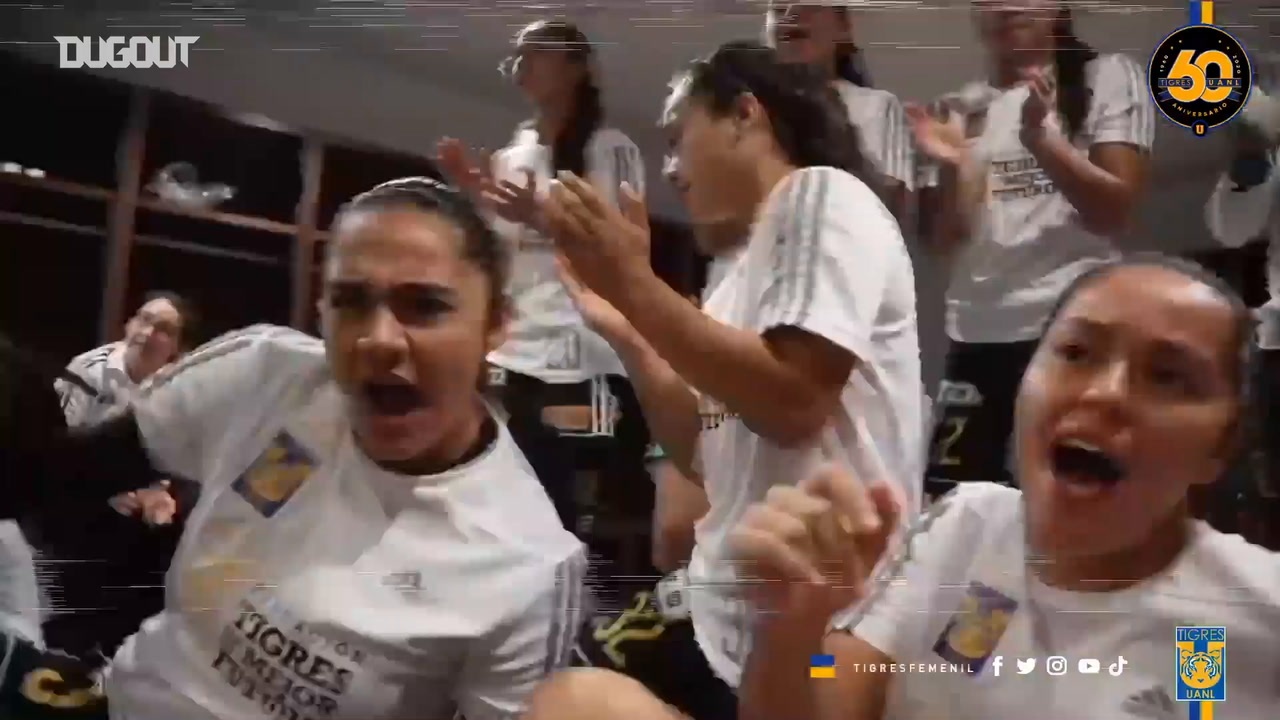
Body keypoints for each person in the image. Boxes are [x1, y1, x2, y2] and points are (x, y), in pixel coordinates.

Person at [528, 254, 1280, 720]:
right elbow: (827, 693)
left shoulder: (1242, 616)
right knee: (580, 704)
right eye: (1077, 352)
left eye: (1169, 377)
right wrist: (791, 630)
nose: (1107, 393)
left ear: (1220, 447)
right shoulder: (966, 527)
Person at [0, 177, 586, 720]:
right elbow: (61, 479)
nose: (378, 339)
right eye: (351, 301)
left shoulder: (527, 565)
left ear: (496, 326)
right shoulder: (265, 374)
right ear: (322, 312)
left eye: (425, 306)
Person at [538, 40, 924, 720]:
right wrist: (628, 326)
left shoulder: (818, 193)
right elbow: (701, 448)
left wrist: (635, 283)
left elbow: (794, 400)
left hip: (821, 628)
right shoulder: (735, 274)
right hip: (722, 612)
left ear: (745, 115)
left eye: (677, 136)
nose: (669, 167)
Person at [911, 1, 1154, 497]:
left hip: (1072, 327)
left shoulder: (1105, 77)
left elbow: (1114, 212)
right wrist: (956, 164)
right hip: (976, 336)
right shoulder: (959, 108)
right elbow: (941, 242)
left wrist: (1042, 140)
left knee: (1074, 500)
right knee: (953, 508)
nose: (1004, 7)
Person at [437, 20, 651, 561]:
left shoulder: (612, 148)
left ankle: (561, 613)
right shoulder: (516, 152)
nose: (521, 63)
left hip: (583, 356)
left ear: (578, 67)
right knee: (496, 493)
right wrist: (475, 195)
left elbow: (624, 244)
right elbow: (503, 250)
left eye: (536, 52)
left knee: (558, 510)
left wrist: (538, 213)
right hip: (516, 351)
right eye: (517, 55)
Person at [31, 292, 198, 659]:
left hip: (141, 489)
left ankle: (137, 644)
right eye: (143, 319)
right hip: (78, 484)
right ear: (128, 324)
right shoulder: (89, 371)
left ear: (178, 348)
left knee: (179, 519)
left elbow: (180, 454)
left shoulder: (181, 383)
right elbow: (56, 453)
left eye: (164, 330)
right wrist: (105, 490)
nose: (148, 332)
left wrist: (161, 491)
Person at [766, 1, 914, 221]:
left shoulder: (876, 107)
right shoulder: (751, 108)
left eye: (809, 4)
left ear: (843, 25)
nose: (790, 13)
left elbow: (895, 208)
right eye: (778, 8)